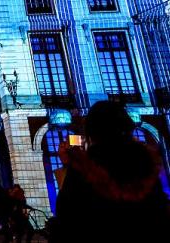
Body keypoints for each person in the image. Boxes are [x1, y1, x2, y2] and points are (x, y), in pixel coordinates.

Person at [50, 100, 170, 241]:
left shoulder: (86, 168)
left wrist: (69, 165)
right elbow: (159, 214)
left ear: (92, 132)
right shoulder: (145, 165)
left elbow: (67, 217)